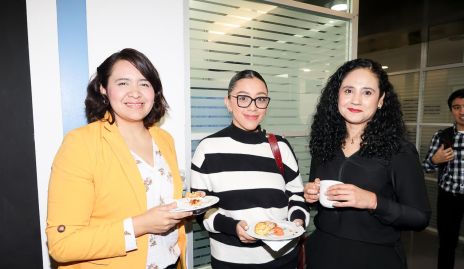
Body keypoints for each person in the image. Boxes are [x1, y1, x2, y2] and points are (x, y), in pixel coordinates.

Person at [46, 48, 192, 269]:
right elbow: (62, 244)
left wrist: (184, 207)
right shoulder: (81, 144)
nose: (135, 92)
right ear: (103, 88)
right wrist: (139, 225)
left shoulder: (164, 139)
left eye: (144, 83)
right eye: (123, 83)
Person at [303, 58, 431, 269]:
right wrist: (311, 195)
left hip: (374, 257)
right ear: (337, 95)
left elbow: (420, 217)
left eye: (367, 92)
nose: (355, 100)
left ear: (381, 100)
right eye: (348, 91)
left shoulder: (399, 150)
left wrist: (372, 201)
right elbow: (320, 197)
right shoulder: (324, 142)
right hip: (322, 252)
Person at [190, 69, 309, 268]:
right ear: (228, 102)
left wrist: (297, 221)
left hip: (283, 260)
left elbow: (296, 196)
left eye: (260, 99)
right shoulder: (207, 149)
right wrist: (232, 227)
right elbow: (201, 209)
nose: (253, 107)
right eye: (243, 98)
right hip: (231, 261)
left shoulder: (280, 147)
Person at [423, 88, 464, 269]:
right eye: (457, 107)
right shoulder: (442, 136)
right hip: (449, 198)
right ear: (451, 111)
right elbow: (424, 167)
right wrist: (435, 160)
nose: (462, 112)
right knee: (447, 245)